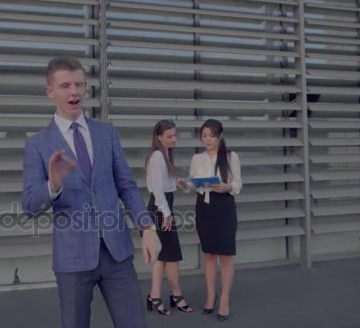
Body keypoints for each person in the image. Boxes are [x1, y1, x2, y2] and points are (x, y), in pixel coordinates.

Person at [22, 56, 161, 328]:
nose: (74, 92)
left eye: (79, 84)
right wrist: (53, 185)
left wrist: (147, 227)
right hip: (72, 259)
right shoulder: (38, 144)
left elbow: (126, 186)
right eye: (65, 86)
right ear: (50, 92)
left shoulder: (106, 133)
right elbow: (28, 205)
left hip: (116, 253)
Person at [177, 119, 242, 321]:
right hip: (204, 207)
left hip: (224, 206)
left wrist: (228, 187)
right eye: (204, 135)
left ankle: (224, 298)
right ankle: (211, 294)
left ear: (220, 136)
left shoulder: (231, 157)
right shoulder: (197, 158)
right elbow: (192, 182)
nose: (207, 139)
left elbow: (238, 182)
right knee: (209, 254)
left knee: (226, 256)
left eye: (211, 135)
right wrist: (184, 184)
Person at [145, 119, 193, 315]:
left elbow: (165, 186)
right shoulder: (157, 156)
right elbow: (157, 190)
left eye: (175, 135)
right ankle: (174, 294)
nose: (174, 139)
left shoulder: (164, 155)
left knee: (164, 255)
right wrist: (165, 214)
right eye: (170, 136)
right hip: (159, 209)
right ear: (159, 137)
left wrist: (178, 183)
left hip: (164, 207)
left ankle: (156, 296)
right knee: (169, 256)